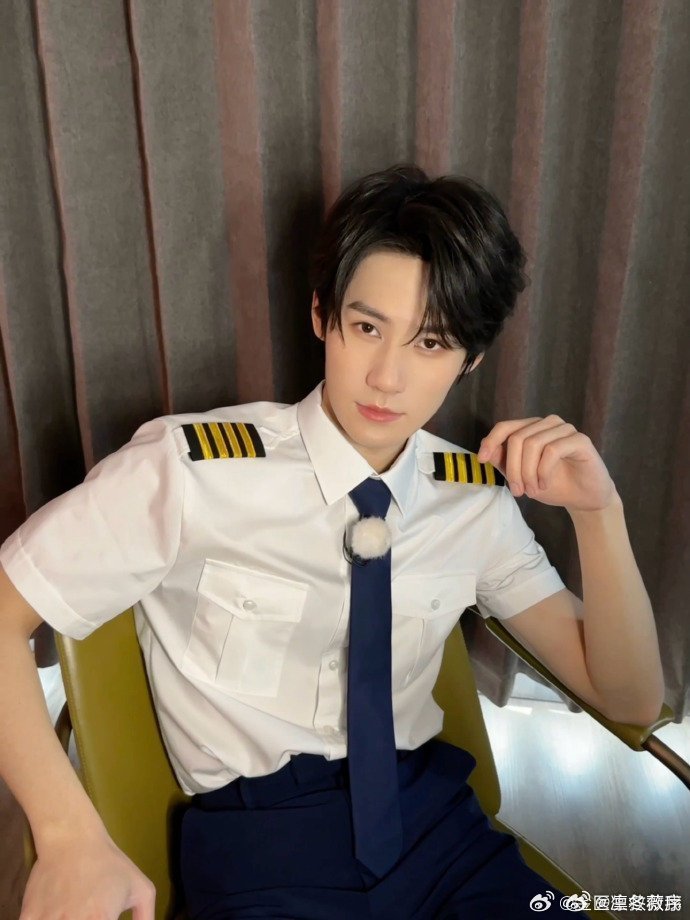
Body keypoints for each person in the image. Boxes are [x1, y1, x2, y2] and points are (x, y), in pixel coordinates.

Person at [0, 164, 665, 920]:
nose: (387, 378)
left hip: (440, 836)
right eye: (367, 328)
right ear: (322, 316)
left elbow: (628, 698)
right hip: (261, 848)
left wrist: (600, 514)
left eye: (431, 342)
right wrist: (67, 835)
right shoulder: (190, 471)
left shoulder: (473, 501)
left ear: (471, 360)